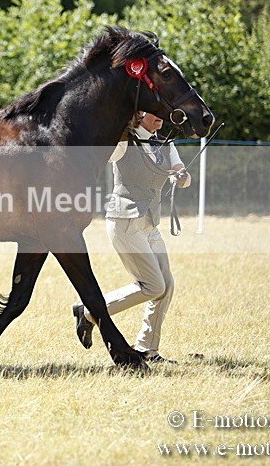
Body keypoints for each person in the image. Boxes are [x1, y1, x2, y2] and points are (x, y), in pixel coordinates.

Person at [72, 110, 191, 363]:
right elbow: (105, 153)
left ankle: (148, 349)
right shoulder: (124, 140)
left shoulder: (165, 144)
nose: (160, 117)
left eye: (162, 113)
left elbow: (182, 175)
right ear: (140, 114)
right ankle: (89, 312)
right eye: (154, 113)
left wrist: (182, 177)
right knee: (153, 286)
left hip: (150, 224)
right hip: (125, 221)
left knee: (166, 286)